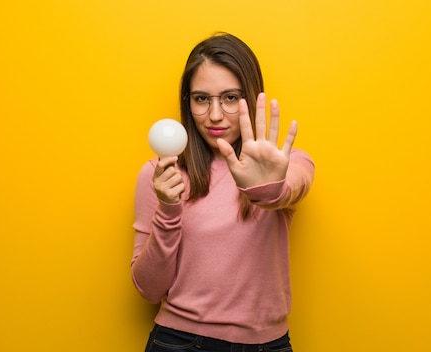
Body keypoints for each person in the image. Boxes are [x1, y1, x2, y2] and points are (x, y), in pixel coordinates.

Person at [131, 32, 315, 352]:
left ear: (250, 98)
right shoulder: (161, 175)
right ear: (188, 103)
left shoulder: (288, 164)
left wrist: (265, 188)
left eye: (230, 97)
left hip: (267, 344)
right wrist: (169, 211)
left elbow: (290, 188)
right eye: (202, 99)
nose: (215, 115)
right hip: (179, 342)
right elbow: (148, 289)